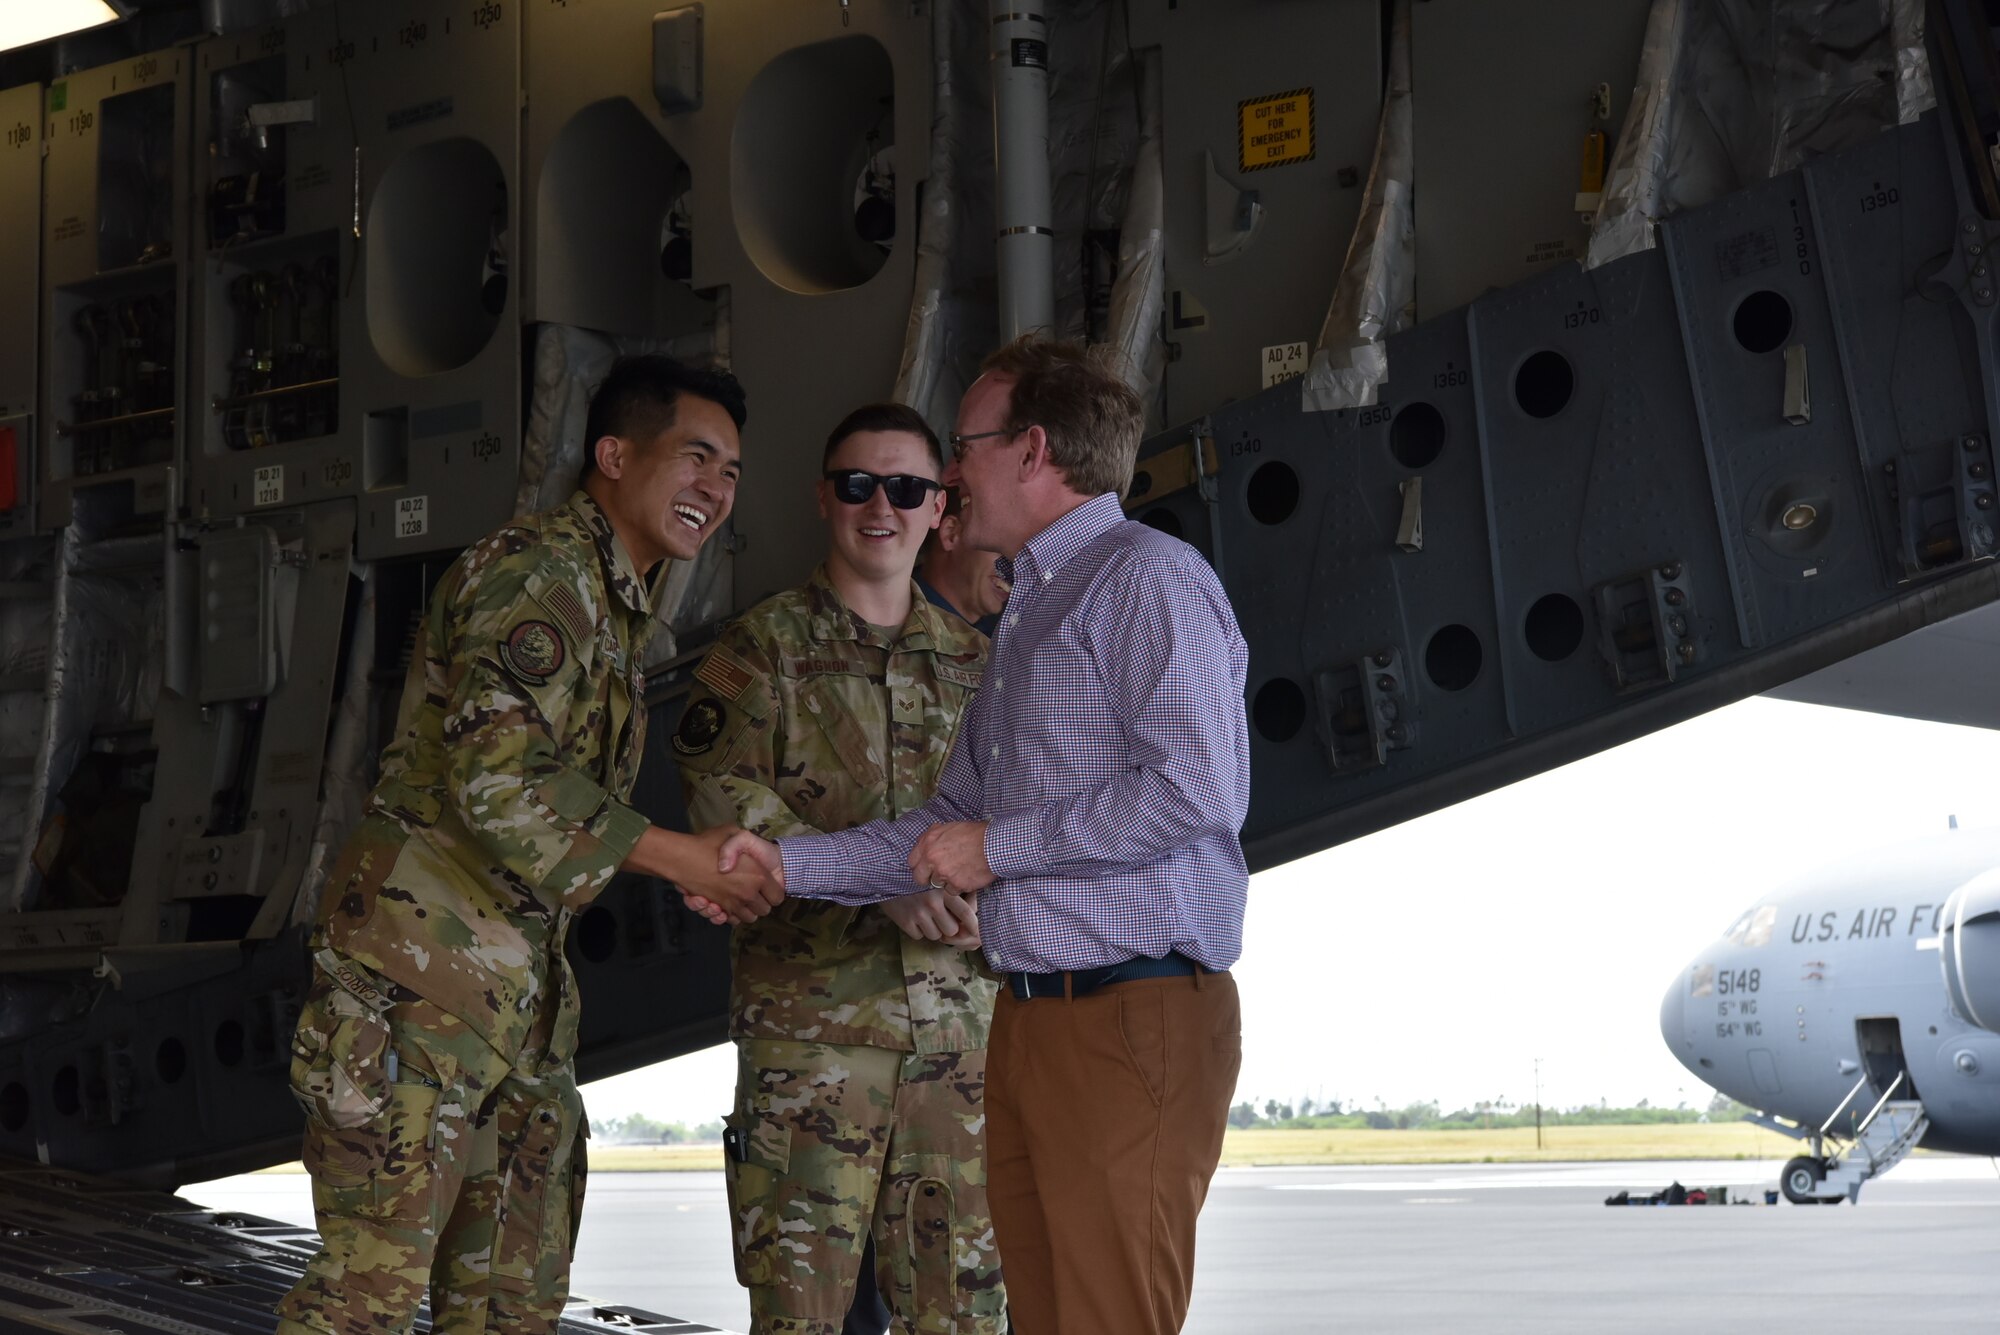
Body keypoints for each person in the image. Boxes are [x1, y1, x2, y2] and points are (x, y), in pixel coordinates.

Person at [715, 336, 1250, 1335]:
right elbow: (937, 828)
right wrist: (787, 863)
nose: (948, 473)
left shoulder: (1143, 579)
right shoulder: (1038, 608)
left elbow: (1194, 789)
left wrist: (996, 851)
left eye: (963, 447)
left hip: (1126, 1014)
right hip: (1033, 1020)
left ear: (1032, 450)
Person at [276, 355, 780, 1335]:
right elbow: (495, 778)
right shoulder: (538, 572)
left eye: (730, 472)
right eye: (694, 457)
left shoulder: (611, 603)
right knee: (362, 1305)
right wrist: (675, 856)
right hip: (417, 988)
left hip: (515, 1006)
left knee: (513, 1304)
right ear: (612, 454)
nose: (715, 489)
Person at [676, 402, 1006, 1335]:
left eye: (906, 489)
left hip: (960, 1050)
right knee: (803, 1318)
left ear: (939, 507)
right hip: (814, 1047)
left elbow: (1032, 819)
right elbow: (724, 802)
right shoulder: (757, 653)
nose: (882, 507)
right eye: (859, 484)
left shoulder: (987, 666)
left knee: (966, 1317)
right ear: (826, 498)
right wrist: (886, 882)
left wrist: (995, 898)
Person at [915, 486, 1011, 636]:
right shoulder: (896, 624)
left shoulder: (1005, 637)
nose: (1017, 566)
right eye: (1000, 542)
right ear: (951, 533)